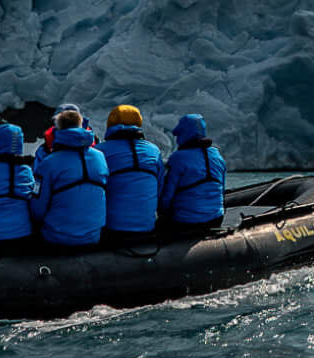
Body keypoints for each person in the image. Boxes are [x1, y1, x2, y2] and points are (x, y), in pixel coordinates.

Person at [30, 105, 109, 249]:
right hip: (93, 236)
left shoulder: (49, 162)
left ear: (57, 128)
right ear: (81, 125)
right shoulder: (100, 157)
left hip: (57, 238)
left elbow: (37, 209)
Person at [98, 103, 167, 243]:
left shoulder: (100, 152)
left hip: (112, 229)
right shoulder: (153, 151)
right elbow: (160, 190)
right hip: (147, 227)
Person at [158, 114, 225, 239]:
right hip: (216, 218)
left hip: (186, 221)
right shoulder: (217, 155)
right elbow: (222, 190)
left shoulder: (178, 158)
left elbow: (167, 197)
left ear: (184, 134)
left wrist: (158, 213)